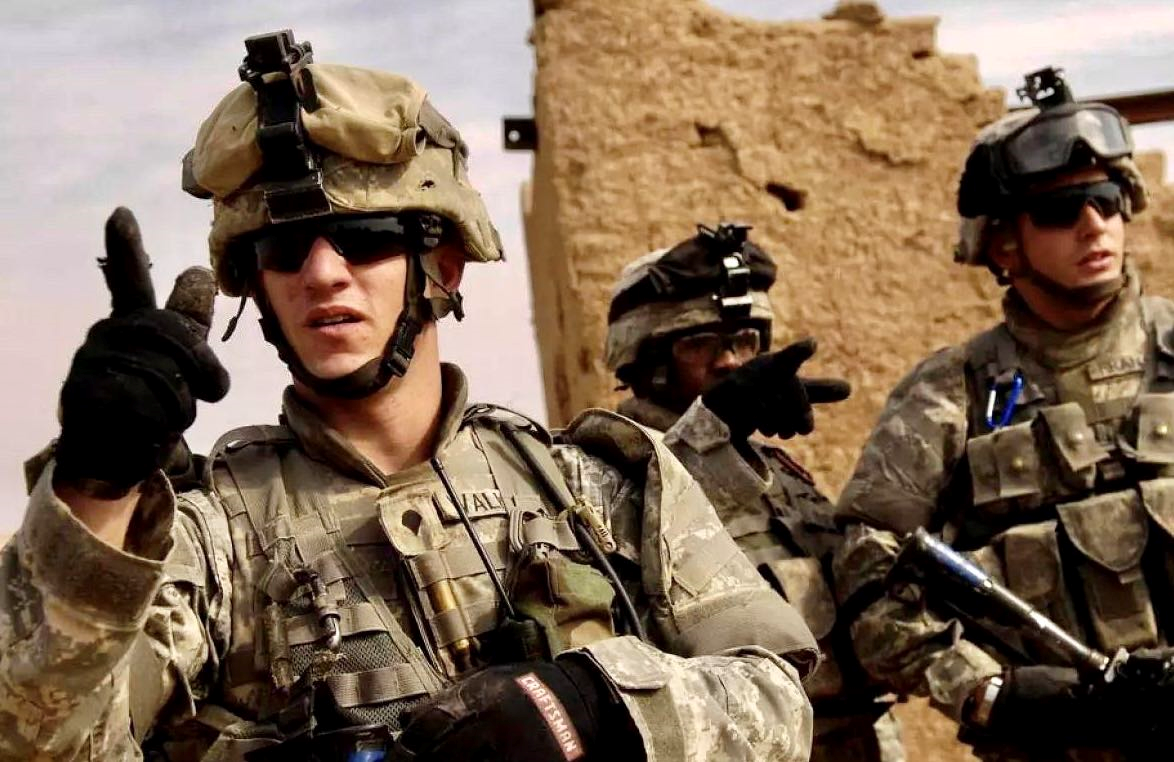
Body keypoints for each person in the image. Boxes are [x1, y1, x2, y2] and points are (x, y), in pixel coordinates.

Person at [0, 31, 821, 761]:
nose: (323, 273)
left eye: (363, 240)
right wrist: (93, 493)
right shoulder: (209, 543)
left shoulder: (599, 487)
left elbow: (777, 703)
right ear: (257, 284)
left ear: (443, 267)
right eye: (285, 251)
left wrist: (600, 706)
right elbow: (36, 738)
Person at [833, 67, 1170, 760]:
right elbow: (869, 583)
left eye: (1107, 201)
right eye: (1060, 210)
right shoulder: (948, 394)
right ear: (1003, 243)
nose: (1094, 225)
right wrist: (992, 693)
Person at [604, 223, 904, 762]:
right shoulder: (605, 466)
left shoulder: (777, 472)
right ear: (646, 360)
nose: (729, 361)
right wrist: (711, 429)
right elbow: (639, 539)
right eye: (700, 344)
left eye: (743, 340)